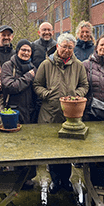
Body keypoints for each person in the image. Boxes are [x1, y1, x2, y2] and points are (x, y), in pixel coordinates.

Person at [33, 33, 89, 194]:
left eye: (70, 47)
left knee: (67, 149)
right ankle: (55, 181)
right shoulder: (46, 64)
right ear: (57, 46)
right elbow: (37, 85)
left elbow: (84, 85)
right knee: (52, 149)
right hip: (49, 113)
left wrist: (77, 95)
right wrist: (47, 94)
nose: (66, 50)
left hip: (70, 115)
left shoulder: (78, 65)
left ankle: (66, 180)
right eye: (64, 46)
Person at [1, 39, 38, 189]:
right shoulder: (8, 66)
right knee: (14, 146)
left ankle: (28, 178)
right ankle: (14, 178)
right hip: (13, 111)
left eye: (28, 51)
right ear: (17, 50)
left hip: (30, 111)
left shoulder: (33, 67)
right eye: (23, 50)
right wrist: (28, 76)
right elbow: (11, 86)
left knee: (29, 146)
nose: (25, 53)